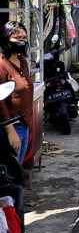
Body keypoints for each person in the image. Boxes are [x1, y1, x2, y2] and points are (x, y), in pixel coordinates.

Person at [0, 22, 34, 166]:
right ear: (6, 39)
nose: (22, 41)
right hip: (11, 127)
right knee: (11, 175)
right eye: (17, 38)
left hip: (24, 124)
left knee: (17, 169)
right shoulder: (1, 65)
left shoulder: (22, 61)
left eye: (24, 38)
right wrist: (10, 131)